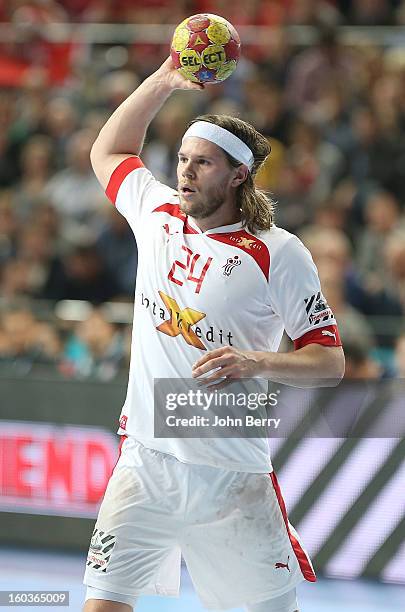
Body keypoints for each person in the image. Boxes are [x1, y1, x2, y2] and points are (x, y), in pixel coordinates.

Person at [83, 57, 345, 612]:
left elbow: (330, 362)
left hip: (232, 474)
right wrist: (163, 79)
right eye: (181, 159)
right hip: (146, 461)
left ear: (237, 175)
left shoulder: (277, 252)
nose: (184, 172)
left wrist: (257, 362)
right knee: (103, 605)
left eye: (201, 163)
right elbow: (108, 153)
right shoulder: (155, 213)